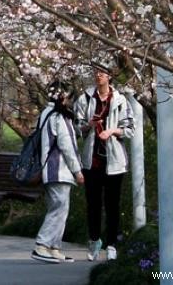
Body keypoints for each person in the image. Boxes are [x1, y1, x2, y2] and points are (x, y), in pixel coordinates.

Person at [74, 61, 134, 262]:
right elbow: (77, 125)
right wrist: (88, 125)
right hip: (92, 161)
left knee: (112, 204)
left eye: (103, 73)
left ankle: (112, 244)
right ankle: (93, 240)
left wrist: (113, 131)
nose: (99, 75)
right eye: (96, 72)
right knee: (93, 203)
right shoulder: (85, 98)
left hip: (114, 162)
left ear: (110, 76)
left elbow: (129, 128)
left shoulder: (120, 100)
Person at [31, 82, 85, 264]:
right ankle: (42, 245)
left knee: (60, 208)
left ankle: (54, 247)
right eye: (69, 97)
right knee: (59, 208)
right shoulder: (59, 117)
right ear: (62, 97)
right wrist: (78, 171)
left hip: (48, 169)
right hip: (58, 169)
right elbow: (67, 146)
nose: (71, 101)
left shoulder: (45, 114)